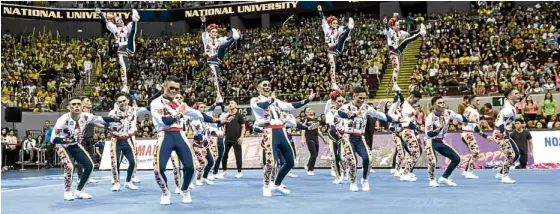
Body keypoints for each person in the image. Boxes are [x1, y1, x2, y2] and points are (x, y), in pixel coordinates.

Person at [150, 75, 229, 205]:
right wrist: (180, 113)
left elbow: (199, 115)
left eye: (177, 89)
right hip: (164, 136)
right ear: (164, 86)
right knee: (158, 170)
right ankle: (165, 193)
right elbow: (164, 121)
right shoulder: (156, 103)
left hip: (180, 135)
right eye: (171, 88)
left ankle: (185, 190)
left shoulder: (180, 104)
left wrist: (218, 120)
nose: (174, 91)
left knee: (191, 167)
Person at [250, 78, 315, 196]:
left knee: (290, 162)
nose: (268, 86)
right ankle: (266, 186)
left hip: (281, 131)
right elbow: (262, 105)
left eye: (269, 84)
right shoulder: (255, 100)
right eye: (265, 85)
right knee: (271, 163)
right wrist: (272, 99)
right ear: (258, 88)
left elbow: (290, 106)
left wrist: (307, 100)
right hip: (269, 132)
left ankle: (277, 184)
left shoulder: (275, 101)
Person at [50, 96, 117, 201]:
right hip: (62, 146)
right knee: (69, 166)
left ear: (82, 106)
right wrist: (65, 141)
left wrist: (115, 118)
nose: (76, 106)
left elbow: (101, 119)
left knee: (89, 165)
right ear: (69, 107)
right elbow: (53, 139)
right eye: (73, 104)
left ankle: (79, 191)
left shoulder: (86, 116)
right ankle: (67, 191)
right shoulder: (63, 120)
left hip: (75, 145)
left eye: (78, 104)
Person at [338, 87, 392, 192]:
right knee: (352, 161)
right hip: (348, 136)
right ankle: (353, 182)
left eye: (364, 98)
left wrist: (394, 120)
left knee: (368, 159)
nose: (362, 100)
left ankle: (365, 180)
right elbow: (338, 114)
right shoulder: (346, 107)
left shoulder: (366, 107)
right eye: (360, 98)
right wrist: (350, 115)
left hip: (360, 137)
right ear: (354, 96)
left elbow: (379, 114)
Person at [425, 95, 471, 187]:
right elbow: (429, 134)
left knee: (456, 159)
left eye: (443, 102)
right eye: (440, 103)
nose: (443, 104)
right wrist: (438, 129)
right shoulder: (430, 118)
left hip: (440, 141)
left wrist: (470, 120)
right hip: (430, 141)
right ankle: (432, 179)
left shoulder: (448, 113)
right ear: (434, 106)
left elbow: (459, 118)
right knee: (433, 161)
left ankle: (445, 177)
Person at [107, 93, 149, 191]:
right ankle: (116, 182)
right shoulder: (112, 113)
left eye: (124, 101)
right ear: (117, 103)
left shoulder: (133, 110)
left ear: (128, 101)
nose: (122, 103)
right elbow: (110, 127)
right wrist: (121, 118)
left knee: (133, 162)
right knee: (115, 162)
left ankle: (128, 181)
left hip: (127, 139)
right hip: (116, 140)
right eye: (120, 102)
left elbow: (145, 109)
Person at [96, 8, 140, 93]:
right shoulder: (114, 28)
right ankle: (125, 85)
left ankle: (135, 20)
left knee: (132, 35)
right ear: (116, 23)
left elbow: (134, 26)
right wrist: (100, 14)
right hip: (121, 50)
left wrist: (136, 18)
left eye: (121, 19)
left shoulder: (128, 26)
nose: (120, 21)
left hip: (129, 47)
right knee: (123, 68)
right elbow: (106, 22)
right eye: (118, 20)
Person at [200, 15, 240, 102]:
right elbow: (203, 31)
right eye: (213, 32)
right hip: (211, 59)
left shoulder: (219, 40)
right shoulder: (206, 39)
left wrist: (233, 37)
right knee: (222, 48)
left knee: (223, 47)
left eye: (216, 32)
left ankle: (235, 38)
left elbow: (227, 39)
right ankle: (235, 38)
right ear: (209, 33)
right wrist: (203, 22)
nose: (215, 33)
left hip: (218, 59)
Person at [493, 88, 529, 184]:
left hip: (505, 132)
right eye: (516, 94)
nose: (519, 95)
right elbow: (500, 123)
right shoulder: (507, 110)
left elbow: (518, 101)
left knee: (516, 154)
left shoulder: (509, 103)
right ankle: (505, 176)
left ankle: (500, 173)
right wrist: (503, 135)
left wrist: (525, 95)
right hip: (500, 133)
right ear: (510, 96)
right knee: (510, 155)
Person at [384, 14, 426, 89]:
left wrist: (418, 29)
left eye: (398, 25)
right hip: (393, 52)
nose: (398, 26)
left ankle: (420, 32)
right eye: (397, 25)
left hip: (398, 51)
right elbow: (387, 28)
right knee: (406, 41)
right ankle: (395, 84)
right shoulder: (390, 32)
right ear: (392, 26)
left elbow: (410, 33)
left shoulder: (400, 33)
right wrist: (385, 23)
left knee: (397, 69)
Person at [317, 5, 354, 88]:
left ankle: (350, 28)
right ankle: (333, 82)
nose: (336, 24)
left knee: (342, 38)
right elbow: (323, 19)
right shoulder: (326, 28)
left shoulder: (338, 29)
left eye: (337, 23)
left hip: (338, 47)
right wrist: (320, 11)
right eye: (334, 23)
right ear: (330, 23)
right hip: (331, 49)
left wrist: (348, 26)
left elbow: (343, 28)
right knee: (332, 64)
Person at [461, 95, 493, 179]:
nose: (479, 102)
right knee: (476, 153)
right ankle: (468, 172)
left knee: (474, 153)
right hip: (468, 134)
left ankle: (465, 171)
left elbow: (468, 119)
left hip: (465, 133)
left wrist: (483, 116)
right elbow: (476, 128)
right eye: (477, 101)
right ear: (471, 101)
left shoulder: (468, 109)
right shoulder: (473, 111)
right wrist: (486, 136)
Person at [324, 89, 350, 184]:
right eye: (339, 101)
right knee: (334, 157)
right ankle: (338, 177)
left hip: (342, 135)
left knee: (342, 157)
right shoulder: (329, 111)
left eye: (342, 101)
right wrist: (331, 98)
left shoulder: (346, 111)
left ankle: (345, 170)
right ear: (335, 102)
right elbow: (327, 106)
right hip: (332, 134)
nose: (341, 103)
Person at [222, 100, 245, 178]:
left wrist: (241, 137)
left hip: (236, 139)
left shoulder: (239, 115)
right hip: (227, 138)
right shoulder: (227, 115)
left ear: (236, 106)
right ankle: (224, 171)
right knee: (224, 155)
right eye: (229, 103)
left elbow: (243, 127)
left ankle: (239, 172)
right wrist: (224, 134)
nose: (230, 104)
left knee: (238, 155)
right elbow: (224, 124)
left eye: (232, 103)